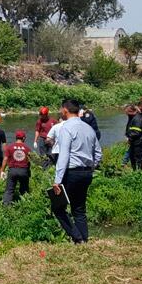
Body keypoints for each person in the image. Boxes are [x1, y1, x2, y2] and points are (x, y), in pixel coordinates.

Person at [52, 99, 103, 244]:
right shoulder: (88, 128)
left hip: (71, 173)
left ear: (65, 110)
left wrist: (57, 180)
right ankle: (83, 240)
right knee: (79, 209)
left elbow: (64, 155)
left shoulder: (65, 128)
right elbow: (98, 153)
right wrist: (91, 167)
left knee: (58, 207)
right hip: (87, 173)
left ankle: (77, 238)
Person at [1, 130, 32, 206]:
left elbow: (5, 159)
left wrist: (2, 171)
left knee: (9, 190)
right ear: (24, 138)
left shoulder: (10, 147)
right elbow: (29, 161)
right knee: (24, 189)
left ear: (16, 137)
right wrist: (28, 171)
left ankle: (6, 206)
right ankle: (25, 205)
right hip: (23, 170)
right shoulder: (27, 148)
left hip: (12, 170)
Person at [125, 103, 142, 171]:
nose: (126, 114)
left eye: (127, 112)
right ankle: (135, 171)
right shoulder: (134, 117)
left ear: (132, 111)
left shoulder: (137, 119)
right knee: (133, 157)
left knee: (139, 157)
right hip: (135, 142)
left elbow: (136, 132)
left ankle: (140, 172)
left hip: (138, 142)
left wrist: (129, 137)